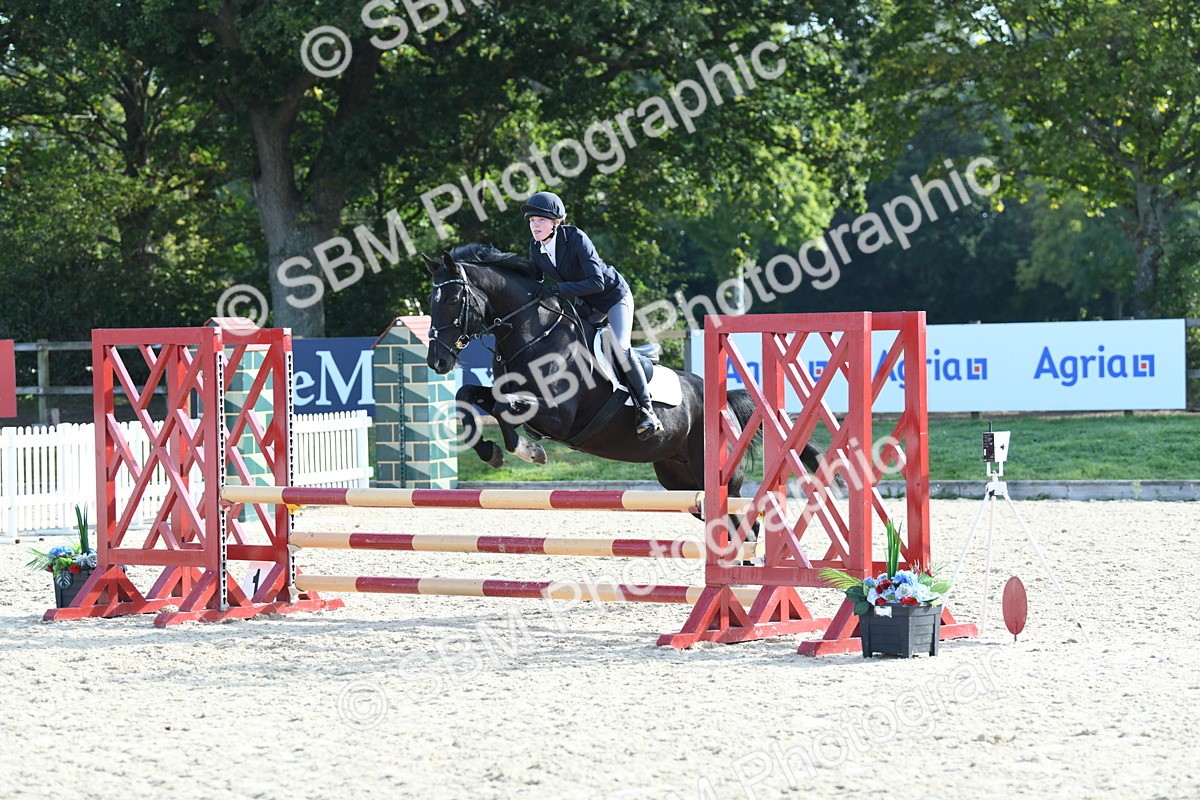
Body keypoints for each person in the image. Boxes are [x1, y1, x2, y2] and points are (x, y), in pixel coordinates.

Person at [521, 190, 663, 440]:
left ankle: (647, 411)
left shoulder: (575, 238)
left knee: (619, 347)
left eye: (541, 220)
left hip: (612, 296)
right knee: (569, 347)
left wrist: (556, 289)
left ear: (556, 222)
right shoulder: (536, 248)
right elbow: (535, 281)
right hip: (586, 304)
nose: (535, 225)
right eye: (532, 221)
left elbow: (596, 282)